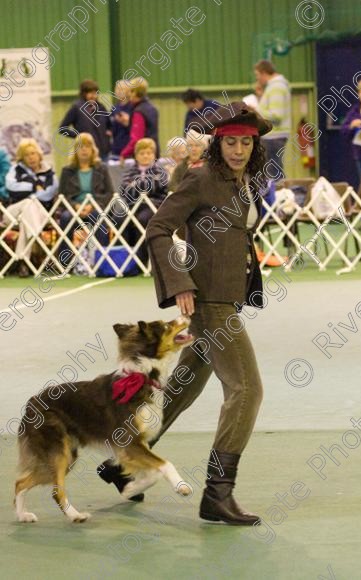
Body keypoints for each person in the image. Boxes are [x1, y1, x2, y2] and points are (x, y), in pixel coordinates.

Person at [98, 103, 273, 526]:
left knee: (183, 387)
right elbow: (158, 227)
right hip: (209, 303)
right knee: (247, 390)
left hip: (226, 298)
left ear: (254, 144)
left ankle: (122, 465)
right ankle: (217, 493)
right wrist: (179, 283)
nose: (238, 149)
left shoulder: (242, 180)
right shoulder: (202, 177)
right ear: (218, 143)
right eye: (230, 142)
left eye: (246, 142)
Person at [58, 133, 114, 268]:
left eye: (87, 146)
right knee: (65, 217)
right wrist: (75, 206)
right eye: (80, 147)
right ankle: (64, 263)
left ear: (93, 149)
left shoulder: (102, 168)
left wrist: (92, 206)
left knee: (97, 216)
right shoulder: (67, 171)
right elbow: (61, 196)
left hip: (96, 207)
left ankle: (102, 261)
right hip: (74, 208)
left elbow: (110, 193)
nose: (84, 150)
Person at [4, 138, 58, 277]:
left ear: (39, 154)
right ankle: (35, 236)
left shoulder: (49, 172)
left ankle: (23, 263)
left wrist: (28, 192)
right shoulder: (15, 170)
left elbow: (48, 194)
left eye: (33, 153)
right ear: (22, 157)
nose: (31, 157)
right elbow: (11, 187)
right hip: (13, 213)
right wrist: (34, 187)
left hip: (41, 214)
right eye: (27, 154)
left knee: (27, 218)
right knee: (28, 203)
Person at [116, 138, 168, 268]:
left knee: (143, 219)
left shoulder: (160, 171)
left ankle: (142, 260)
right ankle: (125, 260)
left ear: (154, 155)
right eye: (142, 153)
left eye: (149, 153)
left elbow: (157, 185)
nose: (145, 156)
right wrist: (145, 185)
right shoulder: (130, 171)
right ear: (136, 156)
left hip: (154, 206)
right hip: (133, 206)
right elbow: (124, 191)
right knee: (119, 218)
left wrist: (135, 185)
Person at [59, 79, 111, 161]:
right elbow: (62, 129)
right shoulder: (76, 108)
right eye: (90, 93)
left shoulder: (101, 107)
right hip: (86, 153)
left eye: (95, 93)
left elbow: (109, 125)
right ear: (83, 94)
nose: (93, 96)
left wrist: (108, 134)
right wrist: (79, 136)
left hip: (104, 153)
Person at [254, 60, 291, 175]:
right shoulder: (274, 87)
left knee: (273, 172)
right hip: (273, 136)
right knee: (273, 170)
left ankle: (277, 193)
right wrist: (260, 97)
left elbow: (276, 115)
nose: (257, 79)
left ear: (264, 73)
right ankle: (276, 192)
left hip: (274, 137)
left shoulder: (276, 88)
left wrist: (256, 111)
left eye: (258, 75)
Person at [120, 78, 159, 160]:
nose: (128, 94)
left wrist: (124, 154)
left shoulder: (139, 112)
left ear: (135, 93)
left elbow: (136, 138)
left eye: (130, 91)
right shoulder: (153, 108)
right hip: (153, 152)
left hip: (144, 156)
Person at [110, 79, 133, 159]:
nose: (118, 91)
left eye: (121, 89)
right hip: (116, 149)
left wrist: (127, 122)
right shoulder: (114, 108)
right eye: (117, 89)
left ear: (128, 91)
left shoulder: (133, 107)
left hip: (130, 149)